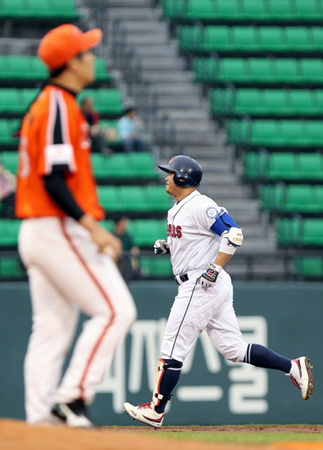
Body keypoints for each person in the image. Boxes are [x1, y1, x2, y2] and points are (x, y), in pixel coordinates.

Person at [124, 155, 314, 428]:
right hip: (207, 282)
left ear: (182, 178)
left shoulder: (202, 205)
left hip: (201, 284)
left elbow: (234, 234)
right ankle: (293, 367)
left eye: (170, 173)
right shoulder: (179, 207)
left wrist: (213, 269)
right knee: (234, 349)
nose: (166, 177)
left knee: (172, 345)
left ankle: (156, 409)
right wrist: (169, 245)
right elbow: (194, 237)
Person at [15, 24, 137, 428]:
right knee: (116, 310)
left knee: (52, 328)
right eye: (87, 53)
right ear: (71, 63)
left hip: (41, 228)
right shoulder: (57, 105)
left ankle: (39, 425)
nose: (93, 58)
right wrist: (95, 228)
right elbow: (53, 178)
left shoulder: (57, 103)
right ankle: (72, 399)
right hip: (56, 227)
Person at [112, 216, 140, 284]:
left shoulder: (128, 236)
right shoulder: (112, 236)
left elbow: (134, 248)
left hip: (126, 264)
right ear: (119, 223)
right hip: (114, 263)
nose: (126, 225)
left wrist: (135, 252)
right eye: (124, 223)